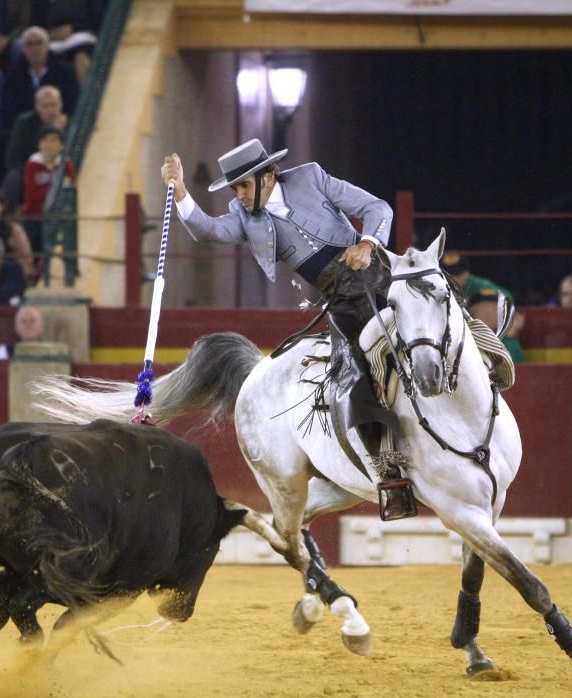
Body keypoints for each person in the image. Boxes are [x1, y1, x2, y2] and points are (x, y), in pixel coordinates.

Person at [161, 140, 415, 521]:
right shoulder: (243, 215)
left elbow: (377, 208)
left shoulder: (311, 177)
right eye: (235, 189)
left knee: (442, 319)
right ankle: (389, 472)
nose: (240, 196)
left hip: (380, 278)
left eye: (245, 185)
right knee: (356, 375)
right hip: (341, 302)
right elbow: (208, 231)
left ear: (268, 176)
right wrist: (180, 191)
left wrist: (366, 242)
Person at [442, 251, 525, 363]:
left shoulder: (480, 285)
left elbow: (506, 298)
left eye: (458, 274)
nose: (453, 279)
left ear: (467, 273)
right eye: (449, 275)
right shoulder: (439, 287)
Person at [0, 26, 77, 134]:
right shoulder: (13, 75)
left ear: (47, 46)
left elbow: (71, 104)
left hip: (58, 129)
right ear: (23, 49)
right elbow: (8, 110)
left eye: (39, 43)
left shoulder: (65, 72)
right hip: (24, 131)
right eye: (29, 44)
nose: (35, 49)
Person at [1, 84, 67, 203]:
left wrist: (60, 134)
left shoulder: (71, 124)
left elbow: (73, 155)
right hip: (29, 170)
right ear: (37, 107)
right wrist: (34, 170)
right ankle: (7, 217)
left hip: (61, 170)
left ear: (61, 105)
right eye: (45, 106)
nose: (50, 110)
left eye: (53, 105)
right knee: (12, 179)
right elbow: (12, 159)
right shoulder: (24, 123)